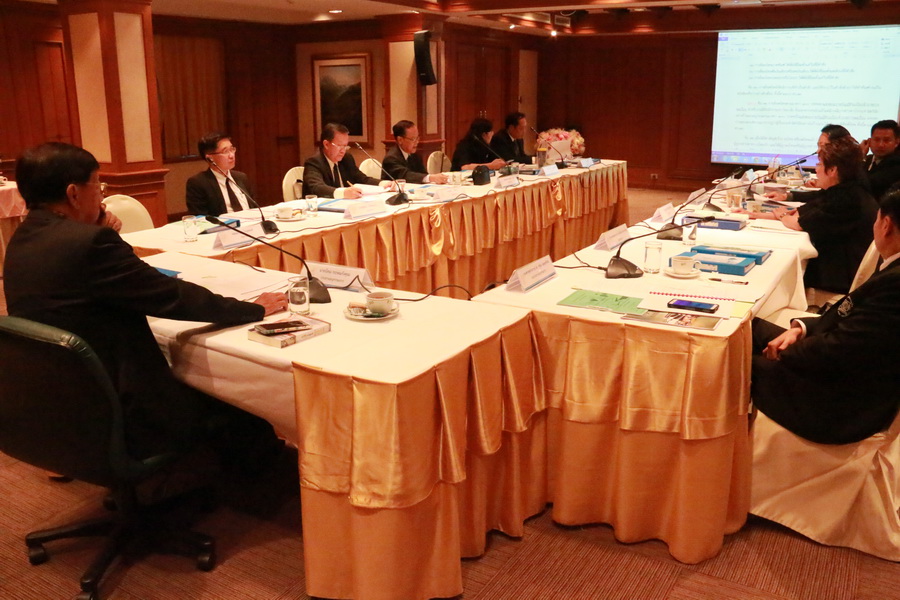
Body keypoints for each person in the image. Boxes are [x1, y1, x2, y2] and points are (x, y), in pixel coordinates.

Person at [5, 142, 287, 462]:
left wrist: (95, 231)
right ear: (73, 193)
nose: (101, 196)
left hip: (59, 400)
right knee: (241, 402)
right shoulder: (91, 242)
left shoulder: (21, 238)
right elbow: (168, 296)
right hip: (122, 404)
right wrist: (253, 308)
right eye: (98, 186)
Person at [751, 188, 900, 444]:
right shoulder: (893, 268)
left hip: (838, 403)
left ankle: (716, 449)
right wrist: (801, 329)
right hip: (839, 364)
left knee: (729, 360)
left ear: (885, 225)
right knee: (746, 328)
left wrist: (785, 354)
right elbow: (849, 315)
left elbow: (842, 349)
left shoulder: (895, 283)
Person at [749, 137, 877, 294]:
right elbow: (801, 212)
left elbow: (799, 223)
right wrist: (754, 214)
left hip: (835, 281)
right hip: (837, 270)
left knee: (770, 272)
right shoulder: (845, 190)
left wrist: (783, 217)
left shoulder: (846, 199)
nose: (816, 170)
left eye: (819, 164)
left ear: (832, 170)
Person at [302, 123, 393, 199]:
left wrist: (384, 184)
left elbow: (362, 179)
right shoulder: (314, 162)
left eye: (345, 146)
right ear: (326, 144)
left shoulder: (346, 159)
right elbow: (317, 188)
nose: (343, 151)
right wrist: (343, 193)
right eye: (339, 146)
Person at [766, 124, 852, 203]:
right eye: (818, 146)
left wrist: (794, 213)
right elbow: (822, 195)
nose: (818, 151)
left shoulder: (849, 184)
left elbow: (825, 201)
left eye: (823, 146)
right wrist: (786, 196)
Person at [185, 132, 254, 217]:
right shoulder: (198, 183)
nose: (231, 155)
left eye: (232, 149)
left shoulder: (241, 177)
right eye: (225, 151)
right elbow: (201, 218)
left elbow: (254, 208)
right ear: (210, 158)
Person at [382, 120, 448, 185]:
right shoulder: (391, 158)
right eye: (413, 139)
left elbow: (423, 174)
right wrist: (430, 178)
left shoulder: (414, 155)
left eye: (417, 138)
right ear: (400, 140)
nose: (417, 142)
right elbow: (406, 176)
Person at [860, 119, 900, 201]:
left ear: (896, 142)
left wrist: (861, 157)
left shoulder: (896, 164)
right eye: (877, 140)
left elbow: (867, 184)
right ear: (869, 141)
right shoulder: (868, 159)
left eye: (886, 140)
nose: (881, 145)